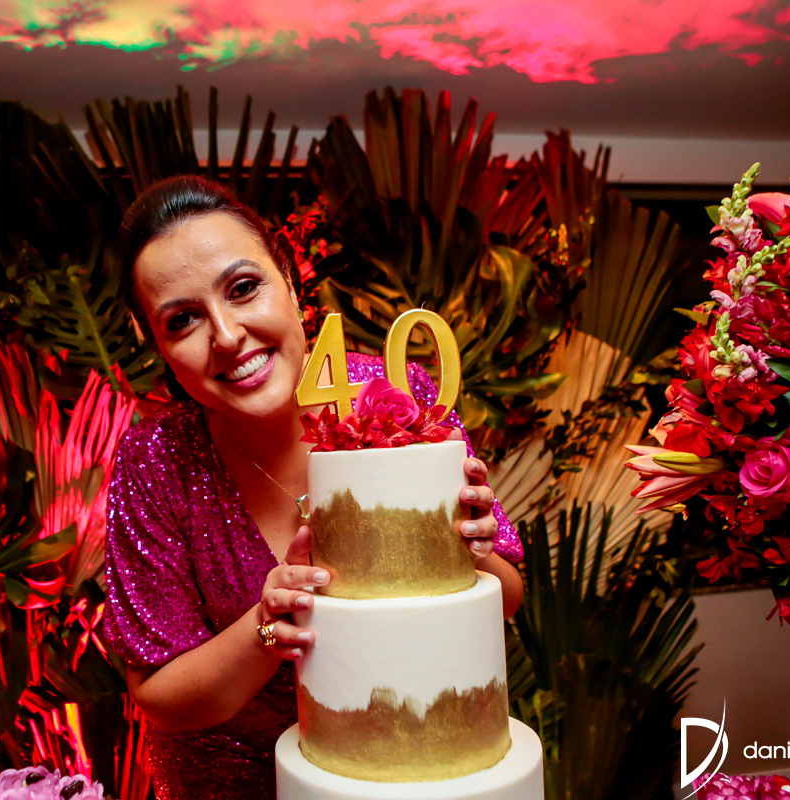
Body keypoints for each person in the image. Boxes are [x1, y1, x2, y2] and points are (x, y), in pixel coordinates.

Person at [102, 175, 525, 799]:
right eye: (183, 320)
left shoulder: (399, 393)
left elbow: (505, 598)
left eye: (243, 288)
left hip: (408, 771)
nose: (227, 335)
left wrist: (467, 547)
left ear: (289, 277)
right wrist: (265, 627)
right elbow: (160, 698)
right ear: (158, 346)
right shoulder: (156, 460)